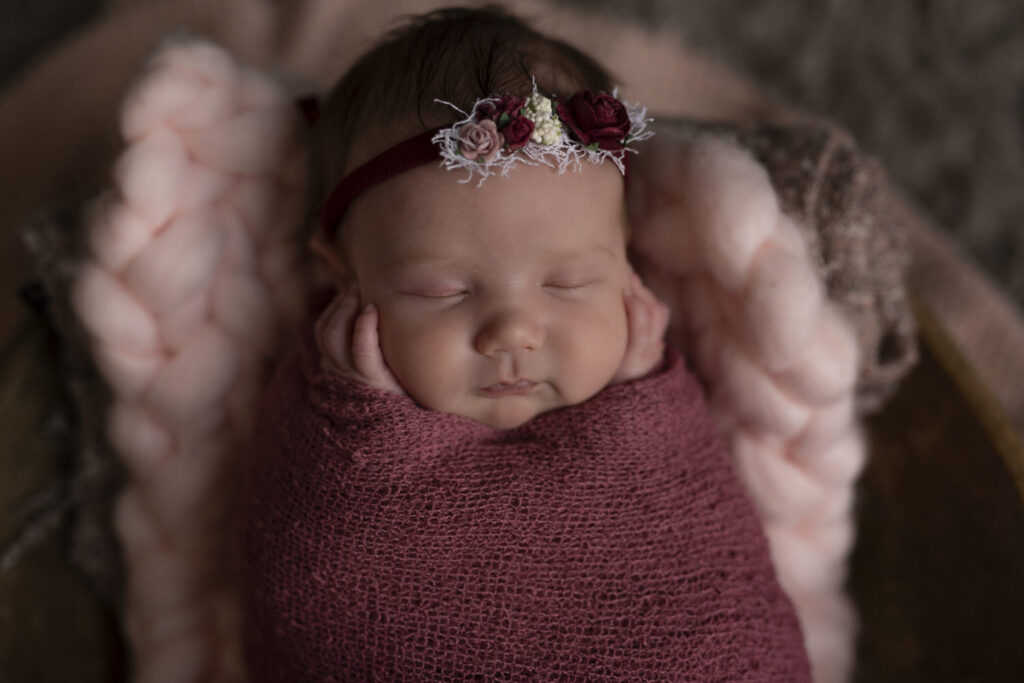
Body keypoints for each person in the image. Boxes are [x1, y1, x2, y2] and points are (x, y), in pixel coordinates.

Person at [238, 7, 812, 680]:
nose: (514, 331)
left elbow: (703, 565)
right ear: (342, 276)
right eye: (441, 290)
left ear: (628, 268)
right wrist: (350, 416)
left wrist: (643, 390)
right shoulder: (324, 422)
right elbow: (310, 583)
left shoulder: (654, 392)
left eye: (569, 283)